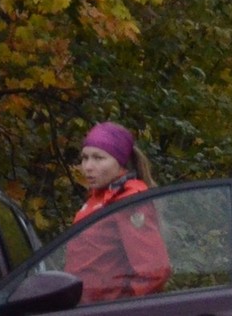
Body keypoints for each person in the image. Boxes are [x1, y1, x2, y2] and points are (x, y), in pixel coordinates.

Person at [64, 122, 172, 301]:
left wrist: (123, 307)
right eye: (85, 158)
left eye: (98, 158)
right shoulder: (98, 197)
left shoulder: (129, 201)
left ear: (120, 161)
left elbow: (154, 271)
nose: (88, 166)